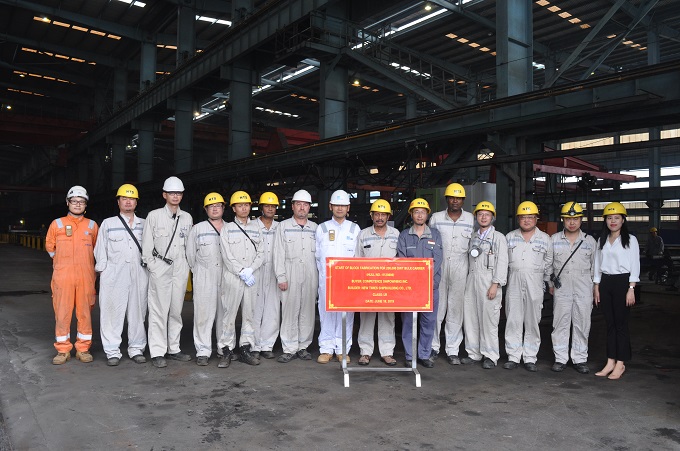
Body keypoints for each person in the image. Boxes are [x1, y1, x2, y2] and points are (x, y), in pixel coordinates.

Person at [141, 176, 193, 368]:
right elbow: (147, 246)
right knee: (158, 311)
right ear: (164, 195)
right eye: (172, 193)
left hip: (180, 268)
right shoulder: (154, 216)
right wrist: (153, 267)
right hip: (160, 267)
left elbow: (189, 245)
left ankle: (174, 348)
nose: (175, 196)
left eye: (178, 193)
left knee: (176, 311)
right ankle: (157, 351)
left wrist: (188, 267)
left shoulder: (187, 217)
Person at [94, 184, 148, 366]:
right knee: (111, 312)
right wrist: (103, 271)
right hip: (114, 274)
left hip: (139, 274)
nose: (128, 202)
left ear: (136, 202)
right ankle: (112, 350)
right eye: (124, 198)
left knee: (138, 312)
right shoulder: (108, 224)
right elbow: (100, 249)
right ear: (118, 202)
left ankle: (136, 348)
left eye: (131, 199)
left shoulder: (145, 224)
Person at [46, 185, 98, 364]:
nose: (77, 204)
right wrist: (62, 263)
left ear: (86, 204)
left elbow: (98, 250)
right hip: (63, 276)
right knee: (62, 313)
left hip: (85, 277)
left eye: (81, 201)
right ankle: (63, 350)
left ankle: (83, 349)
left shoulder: (92, 226)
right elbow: (50, 247)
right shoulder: (57, 224)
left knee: (85, 313)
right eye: (74, 201)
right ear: (68, 203)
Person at [503, 201, 553, 372]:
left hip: (535, 282)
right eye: (523, 217)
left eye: (530, 217)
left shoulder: (545, 239)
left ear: (536, 219)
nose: (526, 220)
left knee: (532, 321)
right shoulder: (509, 237)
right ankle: (513, 356)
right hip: (514, 281)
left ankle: (530, 357)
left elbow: (549, 263)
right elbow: (502, 261)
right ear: (518, 219)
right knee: (513, 319)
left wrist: (548, 282)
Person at [428, 183, 474, 364]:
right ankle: (433, 347)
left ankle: (452, 349)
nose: (455, 201)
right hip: (439, 267)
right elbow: (429, 242)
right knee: (436, 309)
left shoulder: (471, 219)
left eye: (459, 198)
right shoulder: (436, 218)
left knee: (456, 310)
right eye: (452, 198)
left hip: (461, 266)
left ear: (463, 200)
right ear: (446, 199)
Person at [548, 202, 597, 374]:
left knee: (582, 323)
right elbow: (548, 265)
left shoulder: (590, 241)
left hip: (584, 288)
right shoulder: (554, 240)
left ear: (581, 220)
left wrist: (595, 287)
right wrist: (550, 284)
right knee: (560, 323)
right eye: (568, 219)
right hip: (562, 287)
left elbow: (595, 267)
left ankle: (580, 358)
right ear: (563, 220)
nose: (572, 222)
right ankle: (560, 358)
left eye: (575, 219)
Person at [594, 202, 640, 380]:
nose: (613, 221)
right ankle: (610, 361)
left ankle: (620, 363)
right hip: (605, 283)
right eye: (609, 218)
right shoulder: (602, 240)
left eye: (616, 218)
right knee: (610, 324)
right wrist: (596, 286)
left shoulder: (631, 240)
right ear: (605, 220)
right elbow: (597, 264)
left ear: (623, 220)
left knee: (621, 324)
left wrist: (631, 288)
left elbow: (635, 265)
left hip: (623, 283)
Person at [217, 191, 264, 368]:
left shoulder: (256, 228)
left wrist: (250, 270)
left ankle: (245, 349)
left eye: (246, 205)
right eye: (240, 205)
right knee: (229, 314)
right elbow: (226, 255)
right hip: (233, 278)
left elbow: (262, 252)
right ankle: (226, 351)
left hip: (251, 277)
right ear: (234, 208)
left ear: (250, 207)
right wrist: (241, 271)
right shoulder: (227, 229)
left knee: (249, 314)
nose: (243, 208)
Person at [273, 189, 318, 363]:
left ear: (309, 207)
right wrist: (281, 277)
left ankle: (303, 346)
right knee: (290, 311)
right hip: (290, 274)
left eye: (305, 204)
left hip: (311, 275)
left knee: (308, 311)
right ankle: (289, 348)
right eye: (298, 204)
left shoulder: (315, 228)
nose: (302, 207)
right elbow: (278, 253)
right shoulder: (283, 227)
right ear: (292, 206)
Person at [461, 201, 508, 369]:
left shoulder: (499, 238)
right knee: (471, 319)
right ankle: (474, 353)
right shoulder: (473, 237)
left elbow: (502, 262)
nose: (483, 217)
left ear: (492, 217)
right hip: (472, 280)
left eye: (487, 215)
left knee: (489, 321)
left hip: (489, 282)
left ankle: (490, 355)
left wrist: (495, 284)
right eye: (480, 214)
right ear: (476, 217)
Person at [315, 189, 360, 364]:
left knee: (346, 315)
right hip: (326, 280)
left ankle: (342, 350)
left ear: (348, 208)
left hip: (347, 281)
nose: (339, 208)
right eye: (336, 205)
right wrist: (322, 277)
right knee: (326, 313)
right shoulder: (322, 228)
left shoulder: (354, 229)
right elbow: (318, 256)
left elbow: (357, 257)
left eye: (343, 205)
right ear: (330, 206)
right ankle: (326, 349)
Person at [398, 198, 443, 368]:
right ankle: (410, 355)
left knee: (428, 321)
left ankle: (424, 354)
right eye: (416, 212)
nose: (419, 215)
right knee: (408, 321)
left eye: (422, 212)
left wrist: (426, 280)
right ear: (411, 214)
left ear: (427, 215)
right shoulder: (404, 235)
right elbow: (402, 260)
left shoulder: (435, 235)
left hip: (430, 286)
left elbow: (437, 259)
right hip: (410, 288)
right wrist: (413, 282)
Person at [355, 200, 400, 366]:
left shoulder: (396, 234)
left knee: (388, 318)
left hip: (389, 283)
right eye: (377, 214)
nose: (380, 218)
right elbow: (357, 259)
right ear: (371, 215)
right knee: (366, 318)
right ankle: (365, 352)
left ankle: (387, 352)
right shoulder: (363, 234)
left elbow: (401, 260)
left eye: (383, 215)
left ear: (388, 216)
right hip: (369, 283)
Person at [186, 192, 226, 366]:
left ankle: (224, 348)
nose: (215, 209)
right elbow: (190, 255)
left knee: (225, 315)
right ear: (206, 209)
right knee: (203, 314)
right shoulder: (198, 229)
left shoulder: (230, 228)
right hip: (204, 276)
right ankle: (203, 350)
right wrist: (198, 272)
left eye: (218, 206)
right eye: (211, 206)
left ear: (223, 208)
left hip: (225, 276)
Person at [252, 192, 280, 360]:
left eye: (273, 206)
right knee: (255, 309)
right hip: (256, 271)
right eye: (267, 206)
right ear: (261, 207)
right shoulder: (251, 226)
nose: (270, 209)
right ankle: (254, 345)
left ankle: (267, 345)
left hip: (275, 271)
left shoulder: (280, 227)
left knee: (272, 309)